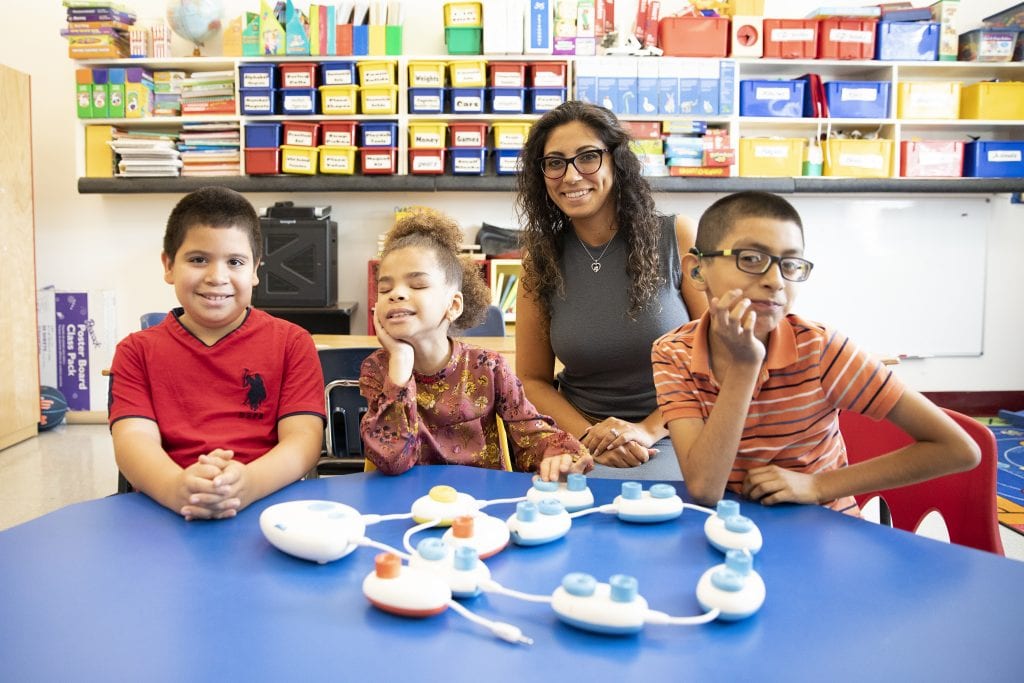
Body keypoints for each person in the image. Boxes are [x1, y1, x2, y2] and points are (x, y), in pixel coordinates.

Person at [652, 191, 980, 512]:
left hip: (822, 525)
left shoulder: (821, 349)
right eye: (751, 258)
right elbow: (705, 489)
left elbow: (959, 449)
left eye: (791, 264)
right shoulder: (672, 353)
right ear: (696, 271)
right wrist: (745, 366)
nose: (776, 281)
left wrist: (818, 485)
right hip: (729, 526)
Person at [514, 100, 706, 480]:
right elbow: (532, 380)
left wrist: (648, 429)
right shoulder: (540, 259)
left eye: (587, 157)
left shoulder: (677, 235)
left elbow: (716, 354)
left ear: (616, 161)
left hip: (675, 427)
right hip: (579, 434)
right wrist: (588, 435)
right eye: (554, 162)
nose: (570, 176)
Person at [108, 187, 325, 521]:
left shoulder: (292, 343)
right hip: (165, 510)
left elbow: (304, 439)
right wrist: (176, 488)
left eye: (235, 262)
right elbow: (133, 439)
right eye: (198, 259)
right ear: (168, 265)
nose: (216, 277)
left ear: (255, 271)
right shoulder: (135, 351)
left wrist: (248, 483)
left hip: (267, 503)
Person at [360, 208, 592, 481]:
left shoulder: (488, 367)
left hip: (481, 506)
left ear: (454, 305)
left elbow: (530, 432)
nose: (397, 294)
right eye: (385, 289)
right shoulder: (377, 369)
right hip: (407, 505)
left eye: (418, 285)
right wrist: (399, 362)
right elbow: (390, 459)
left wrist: (558, 455)